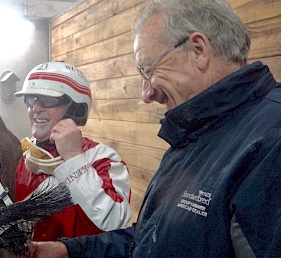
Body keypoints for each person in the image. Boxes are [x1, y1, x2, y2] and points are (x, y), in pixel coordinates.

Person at [26, 0, 281, 257]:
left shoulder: (272, 141)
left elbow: (115, 219)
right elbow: (149, 240)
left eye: (148, 71)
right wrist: (68, 251)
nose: (146, 94)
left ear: (198, 50)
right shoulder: (193, 133)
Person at [14, 61, 132, 241]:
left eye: (48, 100)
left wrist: (73, 158)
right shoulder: (19, 155)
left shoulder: (102, 158)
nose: (36, 109)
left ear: (75, 108)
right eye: (31, 99)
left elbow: (114, 222)